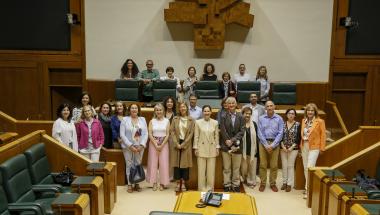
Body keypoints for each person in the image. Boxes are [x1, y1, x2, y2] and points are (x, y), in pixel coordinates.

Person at [120, 103, 148, 193]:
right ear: (129, 109)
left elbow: (146, 133)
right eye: (132, 108)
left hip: (140, 146)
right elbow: (122, 134)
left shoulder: (142, 119)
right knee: (129, 164)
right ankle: (129, 184)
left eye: (136, 108)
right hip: (128, 147)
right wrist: (130, 145)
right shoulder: (125, 119)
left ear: (138, 110)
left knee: (138, 164)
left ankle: (137, 183)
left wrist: (142, 145)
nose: (134, 110)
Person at [257, 101, 284, 192]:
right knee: (263, 164)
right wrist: (266, 144)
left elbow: (281, 133)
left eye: (271, 106)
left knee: (274, 165)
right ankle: (263, 183)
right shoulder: (261, 118)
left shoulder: (279, 119)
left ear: (274, 107)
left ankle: (272, 183)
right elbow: (259, 132)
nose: (269, 107)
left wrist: (272, 145)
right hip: (263, 143)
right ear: (265, 108)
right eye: (267, 106)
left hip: (275, 144)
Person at [219, 97, 245, 192]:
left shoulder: (241, 117)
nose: (231, 105)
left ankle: (236, 184)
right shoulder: (223, 116)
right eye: (229, 103)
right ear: (226, 105)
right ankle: (227, 184)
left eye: (232, 103)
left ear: (236, 104)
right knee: (226, 168)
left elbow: (242, 131)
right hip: (226, 146)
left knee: (236, 167)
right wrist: (228, 141)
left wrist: (233, 140)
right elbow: (222, 130)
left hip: (237, 146)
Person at [301, 103, 326, 199]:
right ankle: (307, 187)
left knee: (309, 167)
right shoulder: (304, 120)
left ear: (315, 112)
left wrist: (322, 148)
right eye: (308, 110)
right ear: (306, 112)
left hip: (314, 147)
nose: (310, 112)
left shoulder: (320, 121)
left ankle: (308, 190)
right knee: (304, 168)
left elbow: (323, 135)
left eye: (312, 110)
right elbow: (302, 135)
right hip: (304, 146)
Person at [193, 105, 219, 191]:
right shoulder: (198, 122)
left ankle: (210, 189)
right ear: (202, 112)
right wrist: (195, 147)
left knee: (211, 172)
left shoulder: (215, 122)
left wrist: (217, 147)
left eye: (208, 111)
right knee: (201, 171)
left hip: (212, 149)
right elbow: (196, 136)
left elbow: (216, 136)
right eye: (205, 111)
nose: (206, 113)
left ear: (211, 112)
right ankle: (201, 189)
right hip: (201, 149)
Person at [170, 102, 195, 192]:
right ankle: (177, 183)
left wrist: (184, 144)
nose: (182, 108)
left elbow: (191, 133)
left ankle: (183, 183)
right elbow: (172, 131)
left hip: (186, 144)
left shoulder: (191, 120)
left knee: (185, 165)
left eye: (184, 107)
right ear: (179, 109)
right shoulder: (175, 119)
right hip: (176, 144)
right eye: (181, 107)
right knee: (176, 164)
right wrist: (177, 143)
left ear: (187, 108)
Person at [146, 103, 170, 191]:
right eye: (157, 110)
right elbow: (150, 134)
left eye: (160, 110)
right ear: (155, 111)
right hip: (153, 143)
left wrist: (162, 144)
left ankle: (163, 183)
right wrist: (156, 144)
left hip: (164, 143)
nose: (159, 111)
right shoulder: (152, 121)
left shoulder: (167, 121)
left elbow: (168, 134)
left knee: (163, 163)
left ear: (163, 111)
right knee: (153, 163)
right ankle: (154, 182)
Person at [280, 108, 301, 192]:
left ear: (295, 115)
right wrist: (282, 146)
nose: (291, 115)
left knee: (290, 166)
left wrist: (292, 147)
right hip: (283, 148)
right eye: (289, 113)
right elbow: (280, 136)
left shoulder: (298, 124)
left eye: (293, 113)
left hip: (294, 148)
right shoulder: (282, 124)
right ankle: (284, 182)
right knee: (284, 166)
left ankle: (289, 184)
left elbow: (298, 137)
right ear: (286, 115)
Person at [240, 107, 259, 189]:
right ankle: (244, 178)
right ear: (242, 114)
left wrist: (256, 150)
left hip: (252, 148)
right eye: (246, 113)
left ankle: (251, 180)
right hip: (242, 149)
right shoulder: (240, 123)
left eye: (249, 113)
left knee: (252, 166)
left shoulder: (254, 124)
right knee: (243, 166)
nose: (247, 115)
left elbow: (257, 137)